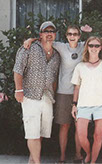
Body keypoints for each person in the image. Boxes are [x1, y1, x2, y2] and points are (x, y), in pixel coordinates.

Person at [24, 24, 92, 163]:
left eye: (75, 34)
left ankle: (78, 156)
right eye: (69, 34)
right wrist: (30, 40)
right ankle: (62, 157)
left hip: (82, 93)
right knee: (64, 126)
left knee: (79, 126)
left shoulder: (84, 46)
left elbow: (100, 41)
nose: (72, 36)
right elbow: (44, 38)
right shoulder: (60, 46)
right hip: (64, 92)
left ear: (79, 36)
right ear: (66, 36)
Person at [13, 21, 60, 163]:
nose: (49, 34)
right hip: (30, 96)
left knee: (40, 132)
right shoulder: (29, 48)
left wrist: (54, 95)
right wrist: (18, 90)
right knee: (32, 133)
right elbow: (18, 69)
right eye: (46, 31)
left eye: (52, 31)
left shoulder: (57, 54)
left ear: (55, 34)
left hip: (47, 97)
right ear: (40, 34)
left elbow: (55, 78)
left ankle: (32, 161)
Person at [71, 36, 102, 163]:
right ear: (87, 47)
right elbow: (77, 87)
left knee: (98, 135)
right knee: (81, 136)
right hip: (83, 105)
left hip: (101, 105)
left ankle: (93, 161)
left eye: (97, 46)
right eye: (91, 46)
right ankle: (89, 153)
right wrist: (74, 105)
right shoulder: (80, 66)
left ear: (101, 48)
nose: (94, 48)